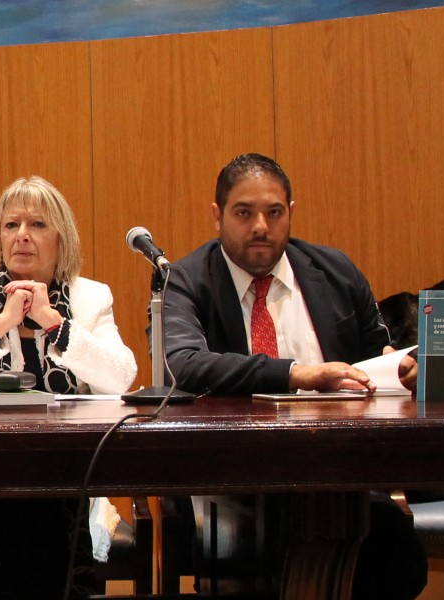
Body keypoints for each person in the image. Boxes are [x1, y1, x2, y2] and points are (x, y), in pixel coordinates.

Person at [158, 153, 427, 599]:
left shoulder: (336, 272)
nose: (260, 226)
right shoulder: (187, 281)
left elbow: (375, 360)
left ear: (291, 214)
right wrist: (297, 375)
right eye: (244, 213)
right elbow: (185, 363)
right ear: (217, 216)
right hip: (234, 477)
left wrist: (401, 368)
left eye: (274, 212)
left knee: (395, 555)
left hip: (340, 473)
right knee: (277, 545)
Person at [0, 176, 137, 598]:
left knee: (48, 510)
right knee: (47, 525)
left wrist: (56, 324)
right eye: (11, 225)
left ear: (61, 239)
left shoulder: (90, 298)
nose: (22, 236)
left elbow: (121, 377)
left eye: (37, 224)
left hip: (68, 477)